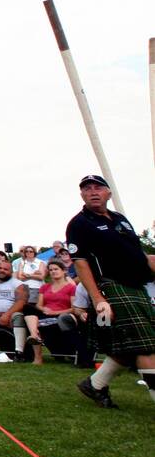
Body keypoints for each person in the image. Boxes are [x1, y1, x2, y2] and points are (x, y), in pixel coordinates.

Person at [68, 175, 155, 409]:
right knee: (146, 346)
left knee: (128, 347)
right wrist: (98, 298)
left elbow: (137, 254)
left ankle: (94, 385)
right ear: (82, 195)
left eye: (98, 187)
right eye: (87, 189)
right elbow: (81, 263)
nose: (93, 191)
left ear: (109, 193)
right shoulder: (79, 224)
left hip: (137, 286)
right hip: (111, 286)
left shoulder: (120, 219)